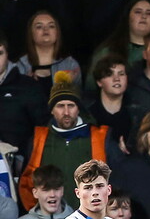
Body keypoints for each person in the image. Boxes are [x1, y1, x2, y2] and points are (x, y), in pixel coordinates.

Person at [19, 71, 110, 211]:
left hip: (91, 218)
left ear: (78, 109)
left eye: (71, 105)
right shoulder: (38, 139)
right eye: (60, 106)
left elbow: (114, 181)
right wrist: (36, 212)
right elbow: (27, 182)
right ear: (52, 110)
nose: (66, 112)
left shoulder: (100, 138)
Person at [0, 32, 47, 155]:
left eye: (0, 53)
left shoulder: (28, 86)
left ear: (7, 55)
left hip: (20, 165)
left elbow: (43, 128)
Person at [15, 10, 81, 98]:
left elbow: (78, 101)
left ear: (57, 33)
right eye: (39, 27)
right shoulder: (20, 67)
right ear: (31, 33)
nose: (46, 29)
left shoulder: (70, 64)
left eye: (51, 26)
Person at [87, 55, 132, 150]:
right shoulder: (87, 114)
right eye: (109, 74)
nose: (117, 79)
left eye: (121, 74)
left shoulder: (137, 114)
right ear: (99, 82)